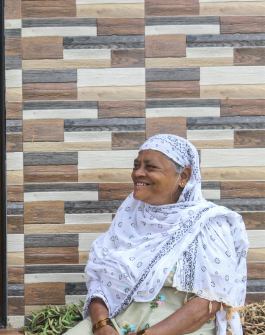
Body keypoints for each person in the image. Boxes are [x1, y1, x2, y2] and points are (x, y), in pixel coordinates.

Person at [64, 134, 249, 335]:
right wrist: (102, 325)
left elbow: (211, 301)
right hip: (115, 324)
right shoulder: (129, 216)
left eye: (150, 167)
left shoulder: (208, 223)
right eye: (136, 166)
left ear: (184, 176)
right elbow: (99, 278)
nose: (138, 173)